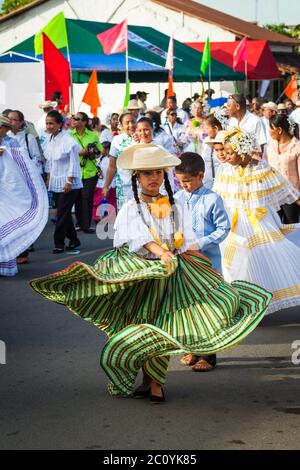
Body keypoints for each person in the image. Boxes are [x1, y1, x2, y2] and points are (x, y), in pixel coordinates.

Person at [30, 143, 272, 402]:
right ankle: (146, 380)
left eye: (158, 172)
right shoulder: (131, 208)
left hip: (170, 276)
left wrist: (195, 259)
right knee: (140, 328)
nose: (154, 178)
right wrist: (160, 252)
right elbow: (140, 238)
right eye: (147, 174)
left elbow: (184, 239)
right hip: (142, 277)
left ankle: (156, 383)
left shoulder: (176, 206)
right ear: (137, 177)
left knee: (163, 328)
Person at [213, 128, 300, 314]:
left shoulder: (263, 169)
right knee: (235, 263)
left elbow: (289, 193)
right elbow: (216, 199)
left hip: (260, 224)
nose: (225, 157)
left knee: (263, 261)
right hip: (234, 226)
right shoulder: (225, 171)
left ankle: (259, 302)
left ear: (242, 151)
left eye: (230, 152)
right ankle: (241, 302)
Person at [175, 152, 231, 371]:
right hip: (185, 263)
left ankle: (208, 356)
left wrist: (201, 243)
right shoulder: (177, 198)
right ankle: (192, 348)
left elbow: (223, 229)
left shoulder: (212, 199)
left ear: (201, 175)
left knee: (208, 309)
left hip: (207, 263)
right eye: (180, 182)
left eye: (187, 181)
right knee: (188, 308)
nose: (184, 186)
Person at [0, 114, 48, 276]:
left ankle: (6, 261)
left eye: (5, 128)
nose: (4, 131)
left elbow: (20, 162)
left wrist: (6, 154)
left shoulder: (11, 142)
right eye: (4, 127)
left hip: (6, 189)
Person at [44, 110, 82, 254]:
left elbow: (74, 162)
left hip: (69, 182)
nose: (49, 126)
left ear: (60, 124)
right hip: (56, 180)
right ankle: (73, 239)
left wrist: (69, 181)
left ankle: (58, 243)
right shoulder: (50, 139)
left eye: (52, 123)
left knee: (62, 213)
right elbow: (50, 162)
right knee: (64, 213)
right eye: (47, 123)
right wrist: (48, 178)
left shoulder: (69, 140)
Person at [69, 112, 103, 233]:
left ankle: (86, 225)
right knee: (77, 198)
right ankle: (78, 223)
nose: (73, 120)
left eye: (76, 119)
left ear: (84, 122)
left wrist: (92, 150)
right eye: (73, 118)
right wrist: (80, 152)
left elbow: (101, 151)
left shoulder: (92, 135)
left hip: (90, 172)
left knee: (87, 198)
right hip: (74, 171)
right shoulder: (68, 135)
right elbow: (66, 151)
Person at [266, 114, 300, 223]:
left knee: (291, 228)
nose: (269, 131)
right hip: (272, 195)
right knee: (275, 229)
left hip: (292, 196)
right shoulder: (270, 146)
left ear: (279, 130)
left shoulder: (297, 146)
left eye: (271, 128)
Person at [102, 112, 137, 210]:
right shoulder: (117, 140)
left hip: (141, 186)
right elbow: (112, 166)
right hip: (123, 187)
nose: (131, 125)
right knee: (124, 217)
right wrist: (106, 186)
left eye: (133, 121)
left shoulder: (142, 137)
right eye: (127, 123)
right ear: (121, 126)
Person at [8, 110, 43, 174]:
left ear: (21, 122)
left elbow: (37, 158)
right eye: (8, 119)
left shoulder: (29, 138)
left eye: (13, 119)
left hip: (27, 175)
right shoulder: (4, 137)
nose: (10, 121)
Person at [92, 141, 117, 222]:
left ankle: (111, 215)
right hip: (100, 183)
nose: (100, 150)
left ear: (107, 149)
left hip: (110, 183)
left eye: (101, 148)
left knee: (111, 200)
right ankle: (97, 216)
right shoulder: (100, 158)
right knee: (97, 200)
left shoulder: (111, 159)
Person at [201, 114, 223, 188]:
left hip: (222, 179)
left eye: (207, 128)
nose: (205, 131)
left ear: (216, 128)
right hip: (207, 180)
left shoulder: (225, 141)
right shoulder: (206, 141)